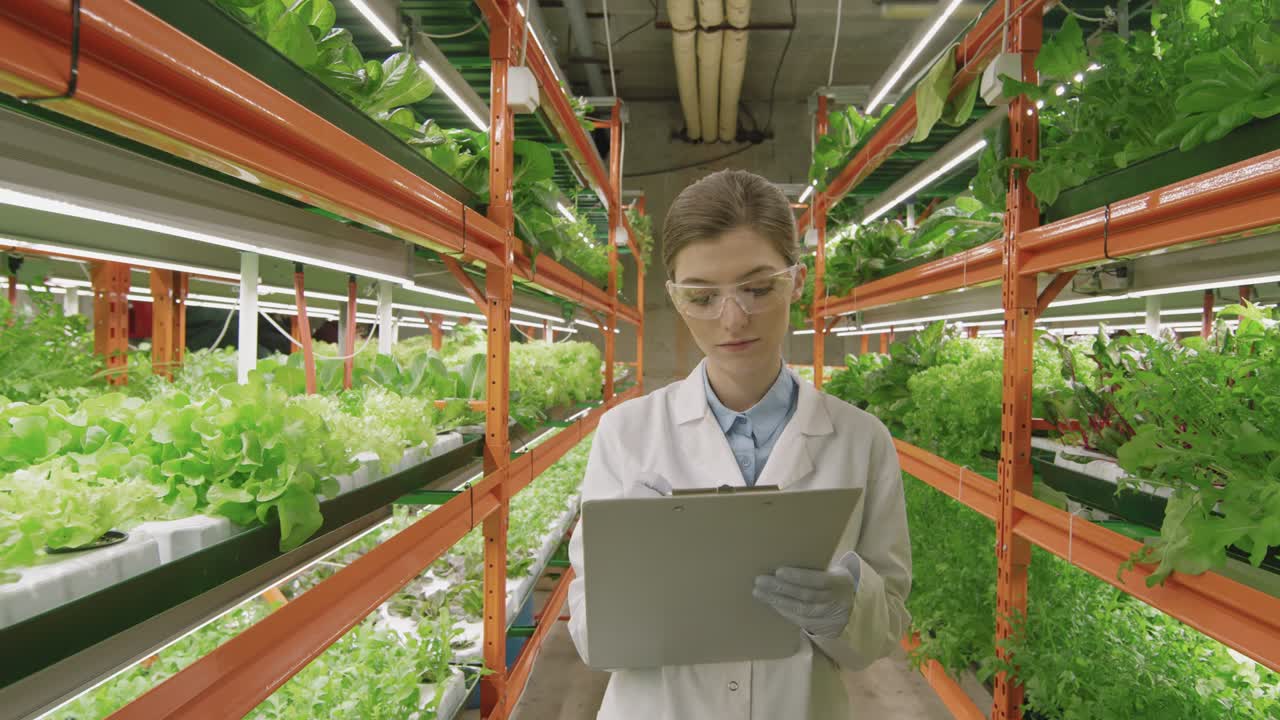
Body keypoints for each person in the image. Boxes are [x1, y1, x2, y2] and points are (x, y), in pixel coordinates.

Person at [566, 169, 912, 720]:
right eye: (702, 296)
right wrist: (637, 582)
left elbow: (884, 627)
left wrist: (847, 609)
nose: (732, 319)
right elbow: (591, 635)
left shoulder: (860, 439)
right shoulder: (626, 435)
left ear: (796, 280)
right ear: (676, 299)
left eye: (757, 288)